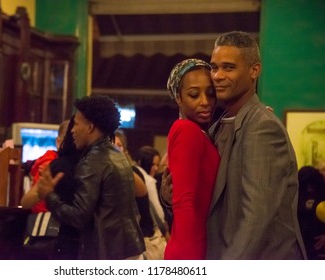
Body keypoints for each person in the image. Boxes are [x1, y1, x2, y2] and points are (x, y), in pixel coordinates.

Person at [206, 31, 306, 259]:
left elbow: (256, 218)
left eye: (228, 67)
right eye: (214, 67)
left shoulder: (262, 127)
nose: (218, 76)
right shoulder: (218, 127)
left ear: (254, 70)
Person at [37, 95, 145, 260]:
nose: (72, 130)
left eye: (76, 124)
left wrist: (49, 196)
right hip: (128, 249)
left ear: (90, 126)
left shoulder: (93, 160)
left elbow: (78, 217)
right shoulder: (117, 153)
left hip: (109, 255)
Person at [164, 58, 220, 260]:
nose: (205, 101)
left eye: (211, 93)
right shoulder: (186, 130)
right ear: (178, 97)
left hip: (197, 243)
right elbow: (184, 202)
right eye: (194, 95)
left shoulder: (202, 132)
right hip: (191, 248)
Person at [20, 118, 81, 260]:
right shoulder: (54, 164)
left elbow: (25, 202)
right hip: (55, 234)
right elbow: (27, 201)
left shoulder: (53, 162)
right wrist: (45, 193)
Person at [114, 129, 166, 260]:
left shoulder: (134, 173)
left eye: (119, 146)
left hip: (136, 244)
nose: (114, 150)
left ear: (125, 151)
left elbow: (154, 211)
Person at [297, 166, 325, 259]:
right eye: (306, 186)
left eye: (311, 186)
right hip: (301, 247)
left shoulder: (322, 192)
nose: (309, 189)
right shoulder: (295, 196)